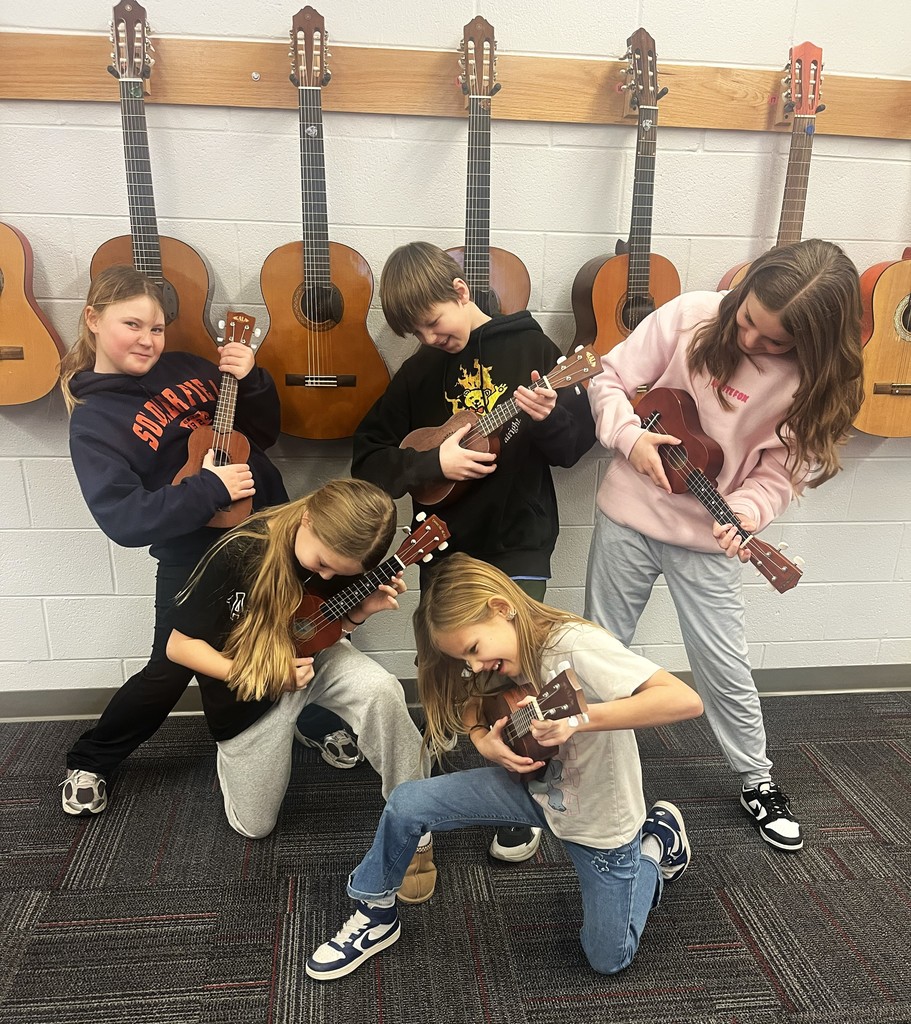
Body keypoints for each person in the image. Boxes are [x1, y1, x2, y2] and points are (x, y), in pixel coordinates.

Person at [583, 238, 865, 852]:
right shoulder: (690, 316)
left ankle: (756, 780)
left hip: (706, 540)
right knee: (599, 644)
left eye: (775, 341)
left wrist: (745, 512)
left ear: (813, 343)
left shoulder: (810, 386)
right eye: (747, 321)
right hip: (627, 516)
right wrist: (630, 439)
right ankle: (577, 762)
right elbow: (606, 379)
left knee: (722, 661)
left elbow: (778, 475)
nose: (750, 342)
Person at [306, 553, 703, 981]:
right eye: (466, 659)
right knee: (406, 803)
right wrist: (484, 742)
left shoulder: (574, 645)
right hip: (535, 790)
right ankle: (376, 912)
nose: (474, 666)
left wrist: (579, 720)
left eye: (474, 650)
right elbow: (475, 699)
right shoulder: (506, 654)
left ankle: (657, 843)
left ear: (501, 608)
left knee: (607, 958)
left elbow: (683, 699)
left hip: (600, 821)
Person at [57, 265, 354, 816]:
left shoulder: (189, 368)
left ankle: (308, 721)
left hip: (272, 534)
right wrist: (207, 491)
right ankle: (93, 758)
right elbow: (123, 518)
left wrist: (253, 377)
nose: (148, 339)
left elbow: (260, 433)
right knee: (169, 669)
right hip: (193, 555)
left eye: (158, 327)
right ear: (94, 320)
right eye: (133, 324)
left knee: (291, 634)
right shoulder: (95, 421)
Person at [352, 241, 596, 862]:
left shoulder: (535, 352)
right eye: (416, 332)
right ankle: (452, 752)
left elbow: (572, 450)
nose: (431, 338)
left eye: (434, 322)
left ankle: (522, 791)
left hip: (518, 541)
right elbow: (370, 459)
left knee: (514, 673)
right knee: (447, 665)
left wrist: (545, 418)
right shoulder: (418, 372)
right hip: (443, 547)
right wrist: (434, 461)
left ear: (462, 291)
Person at [165, 479, 435, 902]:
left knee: (382, 689)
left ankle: (416, 821)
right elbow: (178, 646)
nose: (324, 576)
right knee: (255, 826)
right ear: (307, 518)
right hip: (247, 689)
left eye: (338, 574)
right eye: (323, 564)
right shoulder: (239, 552)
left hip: (313, 660)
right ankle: (251, 752)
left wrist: (358, 613)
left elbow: (318, 625)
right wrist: (264, 674)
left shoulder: (339, 562)